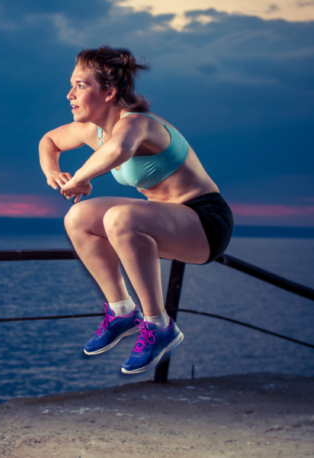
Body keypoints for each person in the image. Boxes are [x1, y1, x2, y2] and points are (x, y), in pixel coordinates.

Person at [38, 46, 233, 374]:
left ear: (109, 92)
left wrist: (81, 178)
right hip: (163, 217)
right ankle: (123, 311)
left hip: (205, 222)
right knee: (78, 218)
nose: (70, 94)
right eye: (72, 85)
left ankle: (159, 325)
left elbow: (119, 150)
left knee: (119, 217)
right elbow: (49, 141)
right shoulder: (93, 131)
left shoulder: (138, 125)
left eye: (81, 86)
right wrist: (52, 172)